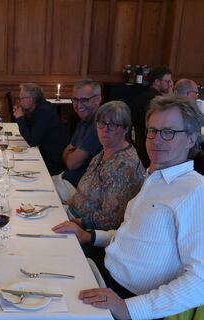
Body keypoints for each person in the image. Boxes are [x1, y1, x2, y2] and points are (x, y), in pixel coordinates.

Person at [52, 95, 204, 319]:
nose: (156, 139)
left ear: (191, 139)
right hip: (105, 275)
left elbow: (200, 281)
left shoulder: (194, 191)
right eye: (152, 130)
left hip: (130, 299)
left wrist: (129, 308)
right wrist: (90, 236)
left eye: (168, 132)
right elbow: (133, 236)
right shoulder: (155, 178)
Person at [65, 101, 145, 231]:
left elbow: (111, 219)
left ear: (125, 128)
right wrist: (62, 206)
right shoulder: (103, 153)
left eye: (113, 124)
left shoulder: (124, 165)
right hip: (73, 215)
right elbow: (82, 192)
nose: (105, 129)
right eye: (101, 123)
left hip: (89, 233)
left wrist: (73, 222)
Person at [52, 79, 103, 201]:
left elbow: (72, 163)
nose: (78, 105)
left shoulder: (98, 126)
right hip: (64, 178)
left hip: (76, 190)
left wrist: (70, 154)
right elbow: (66, 152)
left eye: (84, 100)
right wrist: (70, 154)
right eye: (75, 99)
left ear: (98, 99)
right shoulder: (84, 121)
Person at [13, 82, 68, 176]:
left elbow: (32, 141)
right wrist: (24, 115)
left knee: (17, 167)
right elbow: (33, 130)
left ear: (30, 100)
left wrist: (20, 118)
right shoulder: (41, 107)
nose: (19, 102)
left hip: (52, 163)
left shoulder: (43, 112)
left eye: (21, 98)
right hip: (46, 155)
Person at [130, 65, 173, 167]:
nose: (171, 85)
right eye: (168, 81)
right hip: (154, 148)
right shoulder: (160, 104)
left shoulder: (138, 97)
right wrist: (170, 98)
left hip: (137, 147)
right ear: (157, 82)